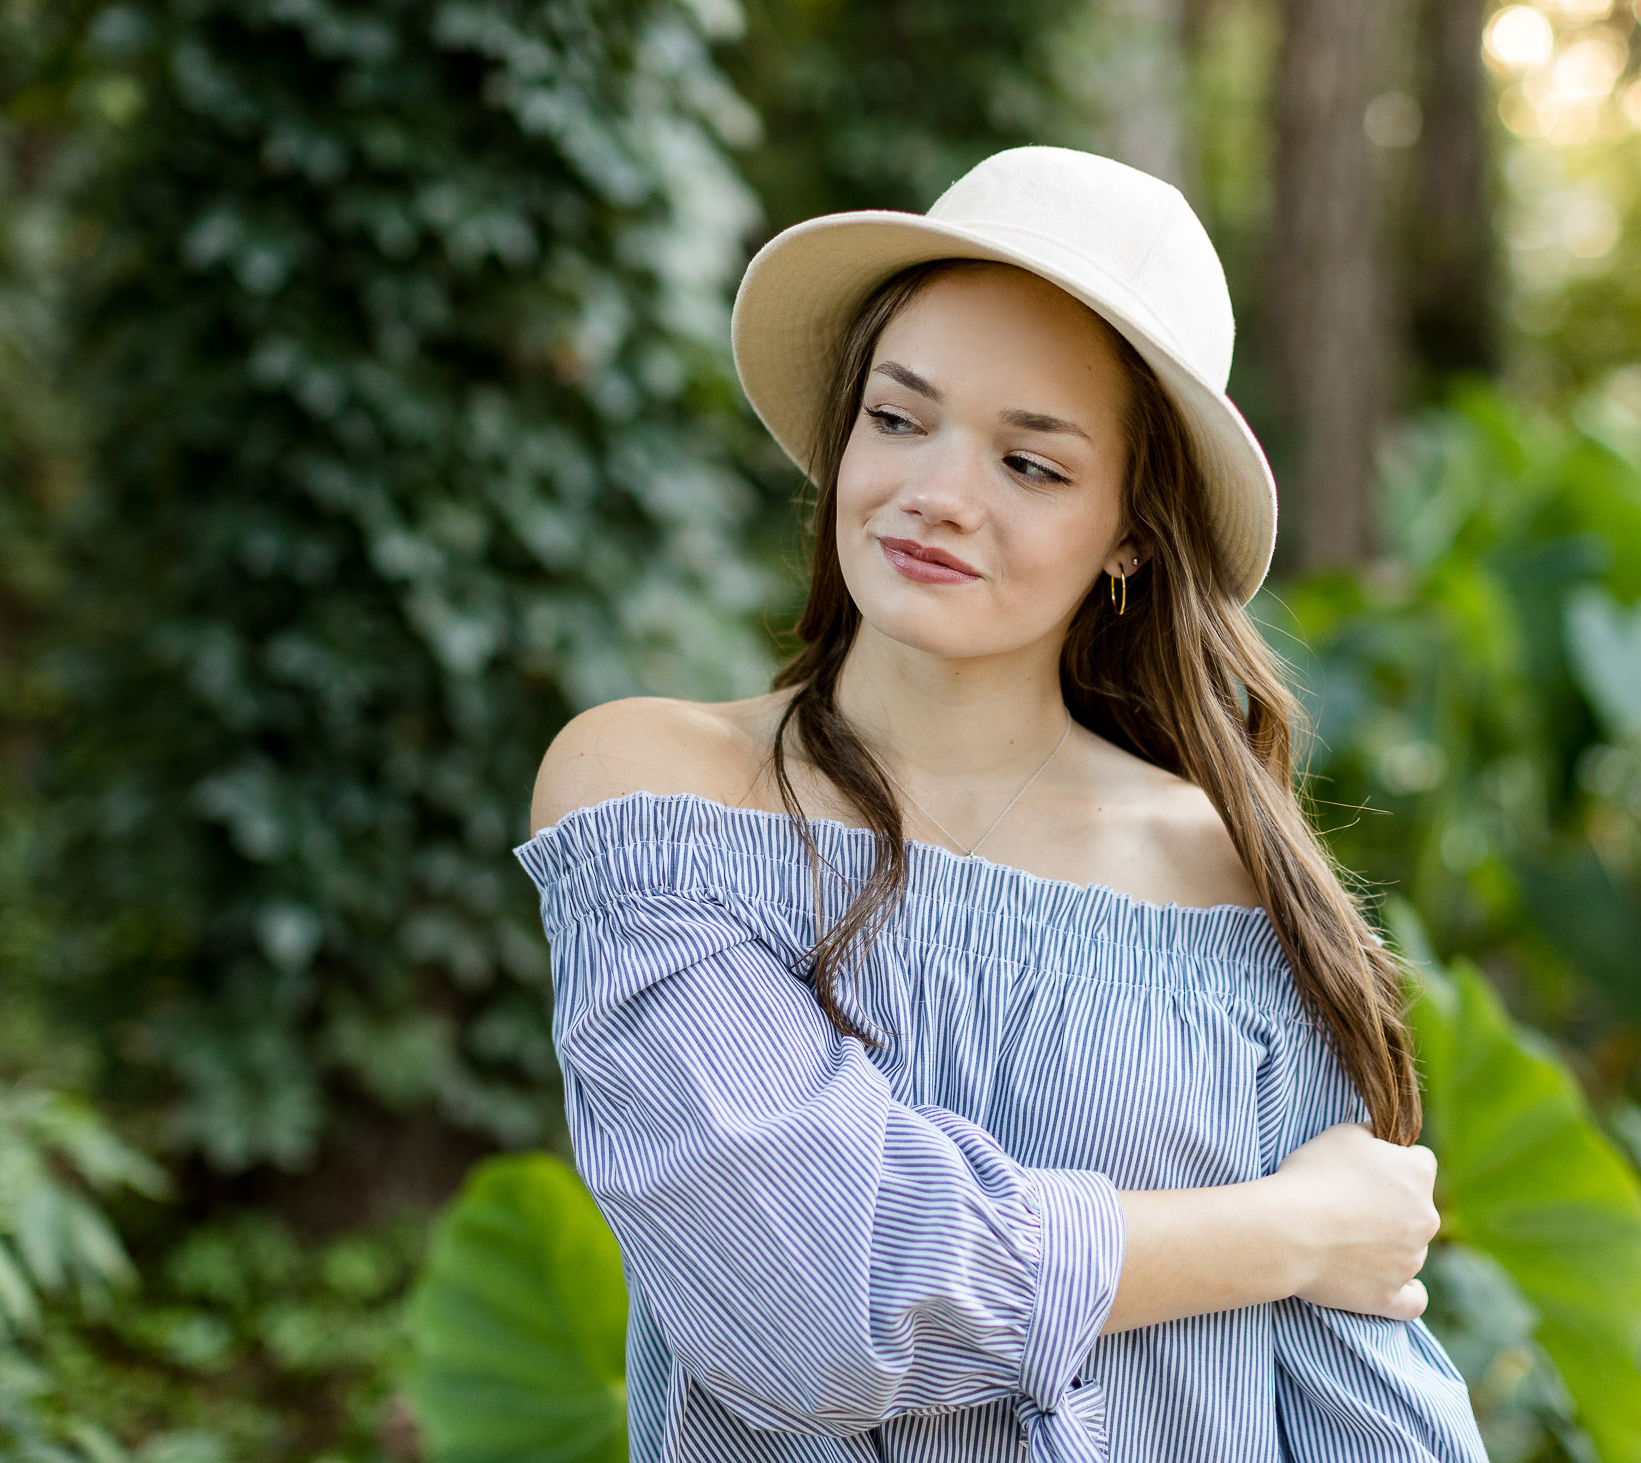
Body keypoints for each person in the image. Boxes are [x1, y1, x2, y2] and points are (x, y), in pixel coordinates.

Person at [518, 146, 1488, 1463]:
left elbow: (1361, 1405)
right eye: (899, 418)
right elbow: (814, 1303)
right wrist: (1288, 1231)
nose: (936, 496)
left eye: (1031, 465)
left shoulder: (1226, 876)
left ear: (1130, 532)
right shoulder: (656, 796)